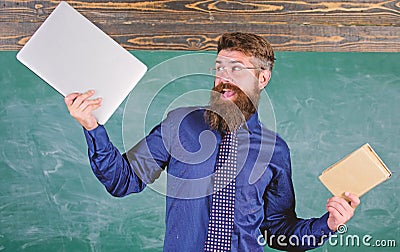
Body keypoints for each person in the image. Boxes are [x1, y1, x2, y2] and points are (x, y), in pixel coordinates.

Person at [64, 32, 360, 251]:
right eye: (219, 68)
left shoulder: (274, 150)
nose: (224, 78)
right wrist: (92, 125)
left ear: (263, 78)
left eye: (236, 69)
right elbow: (123, 180)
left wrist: (329, 225)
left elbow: (279, 230)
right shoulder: (180, 124)